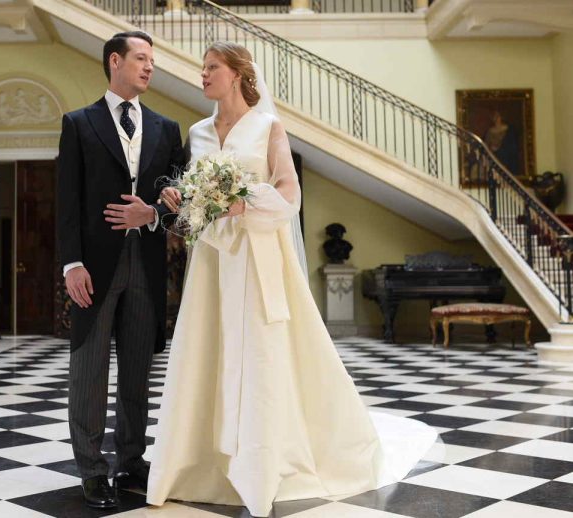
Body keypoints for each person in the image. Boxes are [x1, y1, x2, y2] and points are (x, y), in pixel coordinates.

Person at [146, 42, 437, 518]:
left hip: (258, 257)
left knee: (261, 352)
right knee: (205, 350)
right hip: (212, 262)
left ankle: (261, 467)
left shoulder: (267, 126)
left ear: (237, 74)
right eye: (202, 68)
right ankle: (199, 464)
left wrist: (244, 202)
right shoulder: (197, 133)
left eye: (212, 67)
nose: (203, 75)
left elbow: (289, 191)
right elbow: (193, 195)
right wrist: (181, 196)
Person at [56, 31, 185, 509]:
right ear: (115, 61)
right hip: (94, 267)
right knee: (89, 371)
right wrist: (72, 264)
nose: (150, 67)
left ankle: (132, 459)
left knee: (136, 371)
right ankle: (92, 469)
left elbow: (180, 199)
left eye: (152, 60)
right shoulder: (79, 123)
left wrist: (152, 212)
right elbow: (67, 201)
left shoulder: (167, 129)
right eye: (141, 58)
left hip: (147, 265)